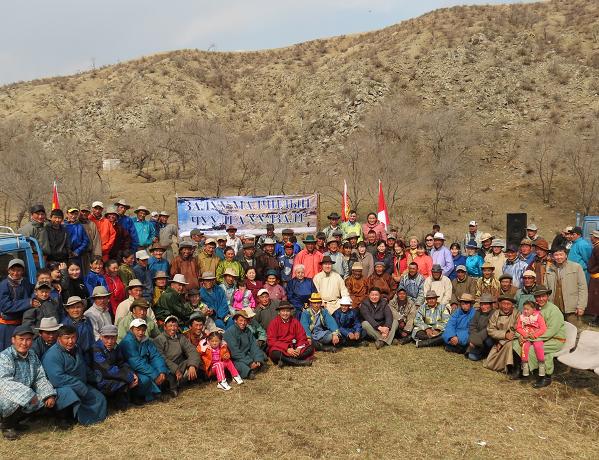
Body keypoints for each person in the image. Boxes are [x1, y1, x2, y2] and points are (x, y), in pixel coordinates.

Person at [42, 325, 108, 425]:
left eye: (73, 337)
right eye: (67, 338)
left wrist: (97, 378)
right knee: (70, 395)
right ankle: (62, 418)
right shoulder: (52, 355)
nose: (71, 341)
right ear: (59, 338)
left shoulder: (76, 348)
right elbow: (57, 379)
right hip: (61, 388)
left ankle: (91, 418)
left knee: (99, 398)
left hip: (81, 384)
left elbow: (83, 367)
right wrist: (79, 386)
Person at [0, 325, 56, 440]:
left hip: (27, 393)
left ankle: (15, 422)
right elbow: (4, 382)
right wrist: (29, 394)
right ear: (13, 340)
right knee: (12, 400)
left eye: (28, 339)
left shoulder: (32, 355)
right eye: (21, 339)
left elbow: (39, 377)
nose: (24, 343)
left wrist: (48, 394)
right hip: (5, 394)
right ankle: (6, 426)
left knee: (45, 400)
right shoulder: (5, 356)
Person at [512, 285, 566, 388]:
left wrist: (529, 338)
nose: (540, 299)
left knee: (536, 349)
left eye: (543, 296)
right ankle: (521, 370)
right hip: (536, 337)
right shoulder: (534, 308)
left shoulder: (553, 310)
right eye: (538, 296)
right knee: (517, 343)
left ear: (547, 296)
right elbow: (523, 323)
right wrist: (521, 335)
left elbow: (551, 331)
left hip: (554, 339)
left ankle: (545, 377)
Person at [120, 318, 172, 402]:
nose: (141, 332)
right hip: (131, 369)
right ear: (131, 329)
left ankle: (152, 394)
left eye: (143, 330)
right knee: (144, 379)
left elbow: (156, 356)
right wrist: (155, 375)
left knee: (163, 371)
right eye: (138, 330)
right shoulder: (127, 342)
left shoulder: (146, 341)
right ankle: (138, 396)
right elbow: (136, 362)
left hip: (144, 367)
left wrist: (161, 371)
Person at [91, 325, 137, 410]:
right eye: (106, 338)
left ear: (116, 337)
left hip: (112, 375)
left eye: (113, 338)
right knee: (122, 383)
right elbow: (107, 369)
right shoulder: (96, 349)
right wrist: (128, 376)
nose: (110, 341)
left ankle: (122, 404)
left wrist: (132, 373)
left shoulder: (116, 346)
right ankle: (118, 405)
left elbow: (121, 362)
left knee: (131, 379)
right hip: (99, 379)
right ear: (101, 337)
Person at [153, 316, 201, 395]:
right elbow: (161, 357)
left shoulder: (180, 337)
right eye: (170, 326)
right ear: (165, 327)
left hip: (180, 364)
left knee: (194, 362)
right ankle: (172, 387)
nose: (173, 328)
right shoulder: (159, 339)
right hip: (167, 366)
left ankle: (185, 381)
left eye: (175, 326)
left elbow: (191, 350)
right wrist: (175, 369)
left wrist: (192, 365)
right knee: (163, 370)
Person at [544, 246, 587, 324]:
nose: (559, 257)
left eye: (561, 254)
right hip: (555, 307)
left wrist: (581, 306)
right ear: (553, 257)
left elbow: (583, 288)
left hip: (572, 307)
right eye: (556, 255)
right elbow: (545, 289)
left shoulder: (576, 267)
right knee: (557, 331)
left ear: (566, 255)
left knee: (575, 331)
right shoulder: (549, 269)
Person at [0, 259, 34, 350]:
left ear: (23, 271)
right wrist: (28, 302)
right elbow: (5, 306)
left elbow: (35, 290)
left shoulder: (25, 282)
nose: (15, 273)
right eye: (13, 270)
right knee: (7, 351)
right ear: (8, 270)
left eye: (18, 270)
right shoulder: (4, 285)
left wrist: (52, 284)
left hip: (20, 324)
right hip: (7, 326)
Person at [267, 302, 314, 367]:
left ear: (290, 312)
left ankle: (285, 361)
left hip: (294, 346)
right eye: (283, 311)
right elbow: (271, 341)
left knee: (310, 348)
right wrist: (287, 348)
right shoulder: (273, 323)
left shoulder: (295, 321)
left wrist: (299, 348)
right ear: (279, 312)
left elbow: (302, 336)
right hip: (281, 348)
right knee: (275, 353)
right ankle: (298, 362)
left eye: (287, 311)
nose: (285, 313)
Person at [223, 309, 267, 380]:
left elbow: (254, 345)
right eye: (241, 320)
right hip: (235, 358)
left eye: (245, 320)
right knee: (238, 365)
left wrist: (257, 359)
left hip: (246, 354)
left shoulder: (247, 330)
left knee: (261, 355)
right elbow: (235, 352)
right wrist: (249, 362)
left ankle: (255, 365)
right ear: (235, 321)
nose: (243, 323)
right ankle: (249, 372)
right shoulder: (230, 332)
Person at [483, 296, 518, 373]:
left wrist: (502, 342)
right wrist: (504, 335)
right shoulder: (496, 314)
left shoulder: (517, 314)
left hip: (512, 340)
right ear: (500, 304)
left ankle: (511, 367)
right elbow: (491, 330)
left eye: (508, 304)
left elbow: (517, 329)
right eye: (504, 304)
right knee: (490, 364)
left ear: (512, 305)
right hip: (497, 341)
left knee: (509, 345)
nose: (506, 306)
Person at [515, 301, 547, 379]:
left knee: (538, 346)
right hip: (526, 336)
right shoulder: (521, 317)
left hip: (535, 336)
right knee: (524, 347)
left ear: (533, 309)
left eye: (528, 309)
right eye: (524, 309)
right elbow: (518, 327)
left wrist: (536, 335)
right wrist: (524, 334)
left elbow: (543, 328)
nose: (525, 311)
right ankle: (525, 365)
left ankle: (541, 365)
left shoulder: (538, 316)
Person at [466, 293, 495, 361]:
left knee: (489, 341)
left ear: (491, 305)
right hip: (478, 337)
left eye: (486, 304)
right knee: (471, 356)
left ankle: (488, 352)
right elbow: (472, 325)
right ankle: (480, 351)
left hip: (488, 337)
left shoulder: (494, 313)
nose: (483, 306)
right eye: (482, 304)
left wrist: (474, 340)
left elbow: (488, 329)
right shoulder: (478, 312)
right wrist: (473, 337)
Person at [78, 204, 103, 270]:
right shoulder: (75, 223)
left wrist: (97, 256)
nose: (84, 213)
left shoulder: (92, 224)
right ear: (79, 212)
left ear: (89, 213)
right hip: (76, 255)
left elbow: (96, 240)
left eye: (86, 212)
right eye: (82, 211)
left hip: (88, 255)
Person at [587, 230, 599, 326]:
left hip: (597, 277)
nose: (590, 238)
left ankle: (596, 320)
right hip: (595, 276)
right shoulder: (596, 247)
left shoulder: (598, 248)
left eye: (592, 236)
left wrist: (593, 269)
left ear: (595, 237)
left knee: (596, 298)